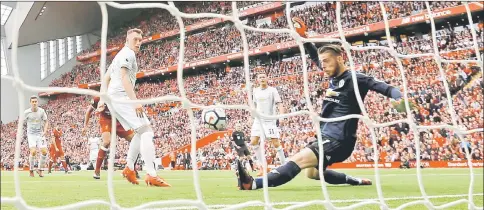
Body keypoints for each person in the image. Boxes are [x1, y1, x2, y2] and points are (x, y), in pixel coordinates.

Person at [236, 18, 404, 190]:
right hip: (325, 135)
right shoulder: (333, 77)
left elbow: (387, 88)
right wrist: (304, 38)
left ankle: (253, 183)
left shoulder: (356, 78)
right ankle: (354, 180)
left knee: (299, 159)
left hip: (340, 139)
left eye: (326, 61)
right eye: (321, 61)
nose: (322, 65)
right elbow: (315, 57)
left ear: (340, 58)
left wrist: (399, 99)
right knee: (312, 173)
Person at [98, 28, 170, 187]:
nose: (138, 42)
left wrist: (102, 99)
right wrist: (135, 101)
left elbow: (106, 77)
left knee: (140, 131)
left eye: (140, 39)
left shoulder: (119, 55)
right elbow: (124, 78)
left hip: (114, 99)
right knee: (147, 131)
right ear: (127, 40)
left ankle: (129, 168)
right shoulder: (128, 54)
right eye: (135, 39)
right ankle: (151, 174)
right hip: (122, 98)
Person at [82, 96, 140, 180]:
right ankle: (97, 170)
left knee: (136, 140)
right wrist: (85, 126)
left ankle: (132, 169)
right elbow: (89, 111)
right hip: (106, 120)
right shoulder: (98, 98)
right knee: (106, 142)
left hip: (118, 121)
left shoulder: (119, 96)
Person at [250, 73, 287, 176]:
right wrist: (251, 117)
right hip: (258, 120)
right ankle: (263, 167)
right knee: (253, 142)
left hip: (269, 120)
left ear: (267, 78)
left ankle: (285, 166)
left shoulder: (272, 90)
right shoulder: (255, 91)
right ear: (257, 80)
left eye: (263, 77)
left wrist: (282, 116)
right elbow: (254, 106)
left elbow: (279, 103)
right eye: (260, 77)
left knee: (275, 143)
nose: (262, 79)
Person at [24, 95, 49, 177]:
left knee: (44, 152)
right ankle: (31, 170)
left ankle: (40, 169)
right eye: (33, 102)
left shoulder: (41, 111)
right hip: (31, 134)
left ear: (37, 102)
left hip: (40, 133)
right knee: (33, 152)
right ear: (30, 103)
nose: (34, 103)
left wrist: (45, 131)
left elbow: (46, 121)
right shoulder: (26, 112)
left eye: (35, 101)